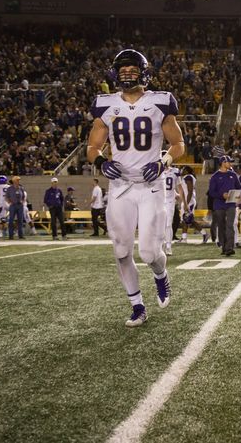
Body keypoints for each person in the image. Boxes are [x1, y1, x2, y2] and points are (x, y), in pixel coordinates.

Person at [86, 48, 185, 327]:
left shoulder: (160, 101)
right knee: (121, 251)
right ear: (115, 75)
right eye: (123, 71)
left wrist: (164, 161)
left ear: (144, 73)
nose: (128, 75)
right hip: (119, 186)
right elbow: (92, 147)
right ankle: (137, 305)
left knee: (150, 253)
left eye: (133, 70)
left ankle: (160, 275)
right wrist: (102, 162)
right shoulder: (105, 104)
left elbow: (178, 144)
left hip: (151, 185)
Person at [208, 155, 241, 256]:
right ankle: (223, 246)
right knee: (221, 226)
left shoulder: (233, 175)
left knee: (230, 225)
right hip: (219, 204)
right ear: (223, 163)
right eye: (229, 162)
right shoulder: (215, 177)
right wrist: (222, 195)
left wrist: (237, 198)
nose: (230, 163)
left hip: (231, 204)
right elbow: (211, 192)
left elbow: (239, 187)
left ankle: (229, 248)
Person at [163, 161, 182, 255]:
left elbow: (178, 187)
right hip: (158, 201)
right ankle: (160, 245)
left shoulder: (175, 171)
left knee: (168, 224)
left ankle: (168, 246)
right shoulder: (156, 171)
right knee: (159, 225)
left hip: (169, 201)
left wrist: (180, 197)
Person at [4, 176, 26, 240]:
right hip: (13, 205)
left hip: (20, 205)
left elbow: (23, 196)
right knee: (11, 220)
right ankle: (11, 235)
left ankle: (20, 235)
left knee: (20, 221)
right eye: (17, 180)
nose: (18, 181)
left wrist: (22, 201)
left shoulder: (21, 188)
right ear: (14, 181)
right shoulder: (9, 189)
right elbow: (6, 197)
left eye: (19, 180)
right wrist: (9, 202)